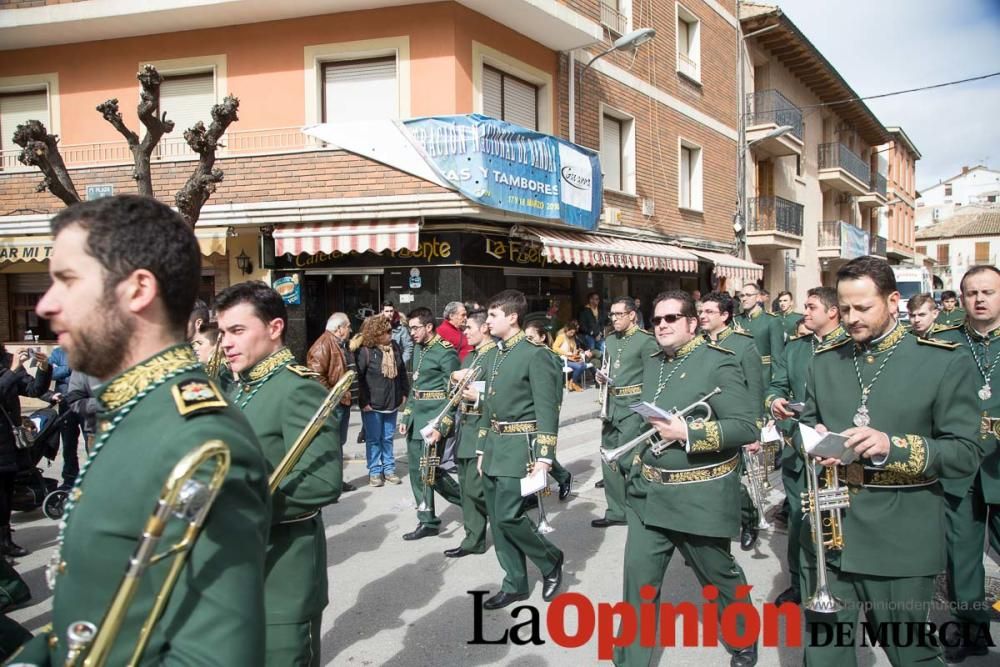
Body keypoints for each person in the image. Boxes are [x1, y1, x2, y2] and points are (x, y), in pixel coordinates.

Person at [14, 195, 269, 665]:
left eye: (67, 281)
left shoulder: (197, 439)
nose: (46, 305)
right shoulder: (136, 409)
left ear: (137, 290)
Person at [797, 256, 983, 666]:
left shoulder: (941, 360)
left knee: (909, 652)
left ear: (894, 300)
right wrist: (816, 446)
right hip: (833, 531)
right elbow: (807, 429)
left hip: (901, 533)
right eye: (844, 309)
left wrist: (890, 446)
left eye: (863, 308)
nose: (851, 318)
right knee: (824, 654)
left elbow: (965, 453)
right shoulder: (824, 360)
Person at [616, 290, 759, 667]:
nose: (661, 325)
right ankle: (630, 661)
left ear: (692, 323)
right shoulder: (652, 361)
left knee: (719, 576)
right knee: (639, 584)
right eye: (657, 319)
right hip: (649, 491)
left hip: (699, 493)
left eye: (671, 318)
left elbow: (746, 427)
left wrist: (689, 434)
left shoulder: (718, 363)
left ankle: (743, 635)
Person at [216, 281, 342, 667]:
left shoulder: (296, 389)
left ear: (274, 328)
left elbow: (322, 481)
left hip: (283, 569)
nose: (226, 343)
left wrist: (239, 505)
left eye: (237, 331)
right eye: (222, 333)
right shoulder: (241, 389)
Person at [475, 289, 564, 610]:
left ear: (512, 317)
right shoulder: (495, 354)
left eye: (493, 316)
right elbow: (488, 405)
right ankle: (514, 581)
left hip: (521, 448)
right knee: (497, 520)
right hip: (496, 446)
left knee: (511, 516)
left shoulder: (534, 353)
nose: (487, 321)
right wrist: (482, 448)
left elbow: (547, 409)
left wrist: (544, 457)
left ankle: (550, 559)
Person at [764, 286, 847, 607]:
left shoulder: (851, 345)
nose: (805, 313)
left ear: (832, 312)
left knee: (837, 520)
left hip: (839, 449)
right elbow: (776, 384)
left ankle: (839, 579)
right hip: (800, 447)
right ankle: (800, 582)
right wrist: (775, 403)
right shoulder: (797, 347)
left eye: (811, 307)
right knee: (799, 518)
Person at [933, 265, 1000, 661]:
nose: (979, 299)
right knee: (961, 552)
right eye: (971, 293)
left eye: (988, 292)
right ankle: (968, 627)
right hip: (962, 461)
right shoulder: (946, 342)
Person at [699, 291, 766, 552]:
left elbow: (755, 388)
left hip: (733, 421)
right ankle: (709, 536)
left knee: (730, 482)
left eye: (709, 312)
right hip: (705, 421)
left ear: (725, 316)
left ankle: (749, 518)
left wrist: (755, 430)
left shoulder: (743, 344)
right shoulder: (698, 342)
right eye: (701, 311)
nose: (702, 316)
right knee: (706, 479)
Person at [593, 297, 658, 529]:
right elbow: (607, 367)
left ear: (632, 315)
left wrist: (648, 412)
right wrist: (600, 376)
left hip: (633, 406)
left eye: (619, 314)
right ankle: (616, 510)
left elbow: (653, 378)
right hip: (611, 405)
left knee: (630, 460)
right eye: (612, 314)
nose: (614, 319)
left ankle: (642, 507)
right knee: (608, 460)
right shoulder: (610, 340)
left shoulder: (646, 341)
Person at [398, 307, 462, 540]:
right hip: (417, 419)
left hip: (434, 419)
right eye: (409, 328)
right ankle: (427, 520)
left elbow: (455, 392)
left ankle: (474, 503)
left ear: (428, 327)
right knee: (417, 473)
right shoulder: (418, 348)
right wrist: (406, 415)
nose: (411, 333)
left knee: (430, 472)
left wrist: (442, 425)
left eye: (415, 328)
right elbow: (416, 386)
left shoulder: (446, 352)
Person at [446, 309, 494, 558]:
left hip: (483, 430)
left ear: (484, 328)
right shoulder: (469, 357)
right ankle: (472, 539)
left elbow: (503, 396)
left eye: (469, 328)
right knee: (466, 491)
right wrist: (454, 377)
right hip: (465, 427)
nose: (464, 333)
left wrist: (480, 396)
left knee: (478, 490)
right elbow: (456, 395)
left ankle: (513, 523)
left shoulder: (494, 356)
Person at [0, 345, 52, 557]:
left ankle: (5, 542)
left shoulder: (7, 360)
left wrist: (43, 367)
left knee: (6, 493)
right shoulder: (10, 366)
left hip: (9, 444)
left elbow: (34, 390)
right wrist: (12, 370)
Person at [356, 315, 407, 487]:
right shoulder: (365, 351)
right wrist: (364, 402)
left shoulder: (395, 347)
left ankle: (389, 469)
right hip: (373, 405)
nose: (390, 335)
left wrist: (404, 393)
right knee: (374, 439)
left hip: (392, 402)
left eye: (390, 331)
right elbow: (359, 379)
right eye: (386, 332)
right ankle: (375, 471)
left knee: (387, 438)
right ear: (376, 334)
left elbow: (401, 372)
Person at [524, 321, 573, 501]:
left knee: (537, 448)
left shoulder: (549, 356)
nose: (527, 341)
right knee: (527, 448)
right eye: (525, 338)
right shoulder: (528, 355)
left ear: (542, 337)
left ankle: (561, 476)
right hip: (528, 409)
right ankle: (531, 490)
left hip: (542, 411)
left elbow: (553, 390)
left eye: (531, 338)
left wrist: (551, 411)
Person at [306, 312, 354, 452]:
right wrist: (336, 395)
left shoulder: (339, 343)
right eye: (348, 327)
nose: (350, 330)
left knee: (338, 443)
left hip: (341, 402)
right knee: (333, 444)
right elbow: (316, 377)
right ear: (339, 328)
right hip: (334, 404)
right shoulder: (323, 344)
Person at [735, 282, 785, 385]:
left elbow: (777, 356)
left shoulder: (771, 321)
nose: (744, 298)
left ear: (758, 297)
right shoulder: (736, 320)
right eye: (742, 295)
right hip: (739, 376)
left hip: (763, 376)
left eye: (748, 295)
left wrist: (776, 384)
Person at [46, 345, 79, 490]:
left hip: (86, 402)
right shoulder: (58, 352)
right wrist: (70, 368)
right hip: (65, 403)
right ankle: (70, 480)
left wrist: (62, 370)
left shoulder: (90, 348)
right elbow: (51, 373)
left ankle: (94, 478)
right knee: (68, 444)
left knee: (92, 442)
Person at [552, 320, 592, 392]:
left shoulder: (572, 338)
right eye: (571, 332)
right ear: (567, 330)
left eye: (573, 333)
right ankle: (574, 383)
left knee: (583, 364)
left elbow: (573, 350)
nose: (572, 334)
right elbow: (554, 347)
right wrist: (565, 353)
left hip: (570, 359)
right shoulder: (561, 337)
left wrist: (577, 352)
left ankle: (572, 382)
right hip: (562, 359)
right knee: (579, 366)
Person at [382, 301, 414, 366]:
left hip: (396, 365)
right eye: (387, 311)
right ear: (382, 312)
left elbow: (408, 347)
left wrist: (401, 364)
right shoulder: (377, 327)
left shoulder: (401, 328)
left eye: (391, 311)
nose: (389, 313)